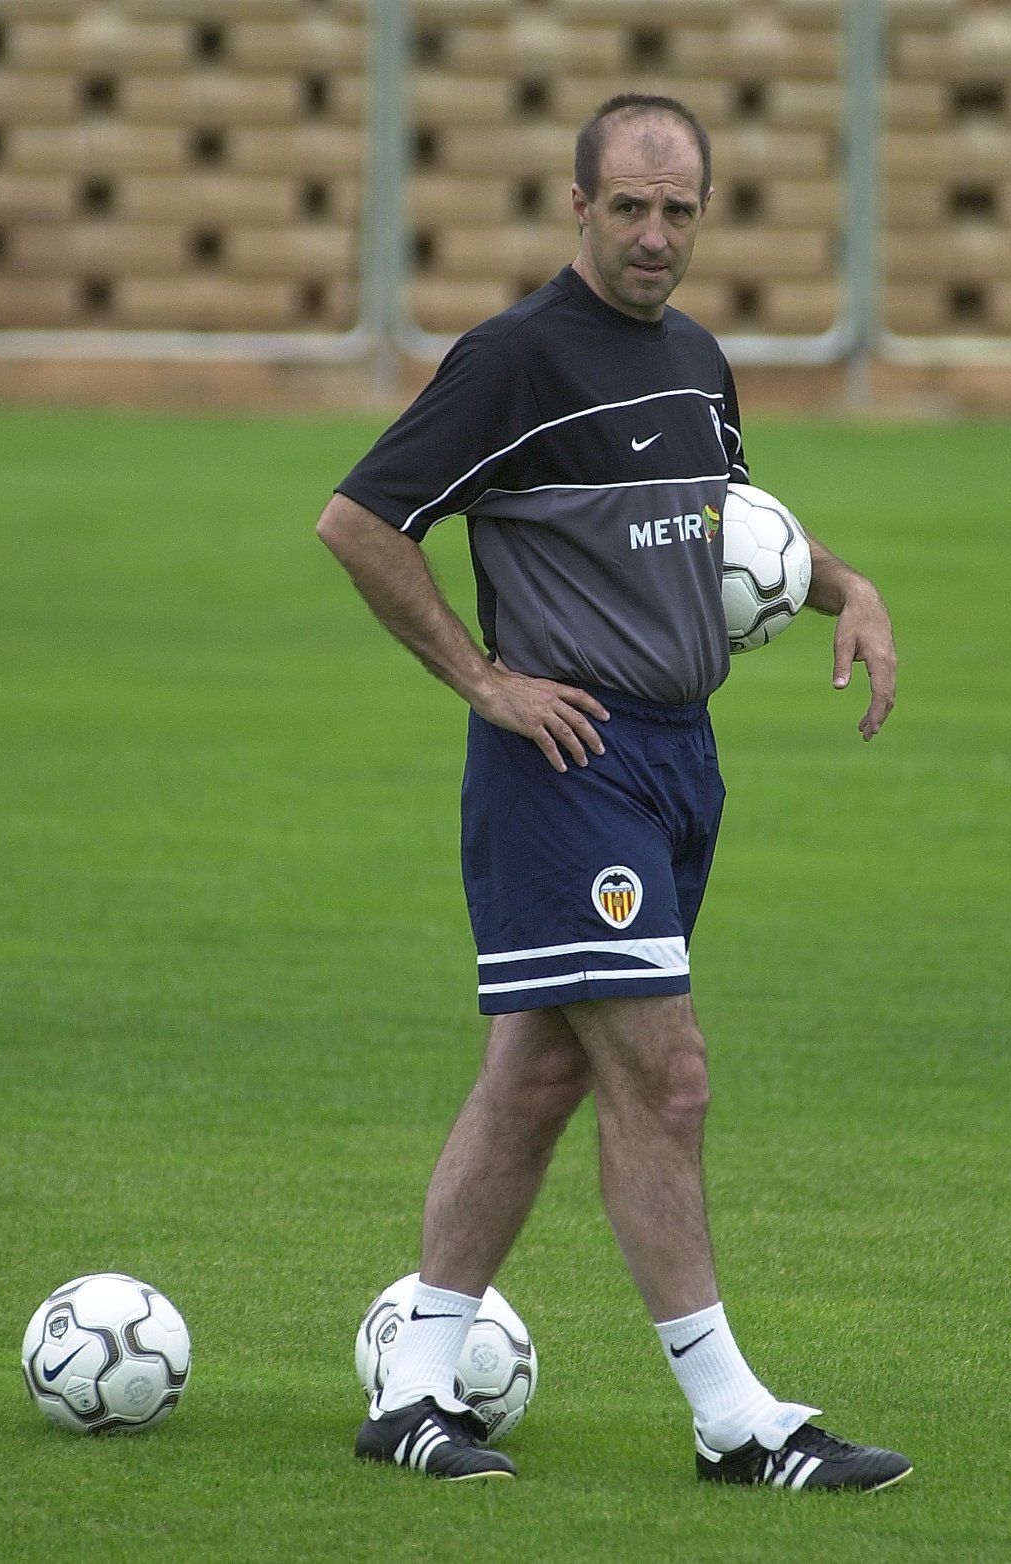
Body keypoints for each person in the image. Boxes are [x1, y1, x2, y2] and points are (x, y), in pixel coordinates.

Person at [317, 94, 908, 1492]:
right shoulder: (513, 360)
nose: (653, 234)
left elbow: (733, 527)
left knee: (536, 1075)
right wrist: (484, 681)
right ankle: (735, 1421)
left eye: (677, 210)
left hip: (678, 761)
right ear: (578, 205)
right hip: (566, 767)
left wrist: (849, 585)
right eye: (629, 207)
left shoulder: (696, 360)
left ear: (703, 214)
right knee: (666, 1075)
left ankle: (413, 1392)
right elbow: (359, 522)